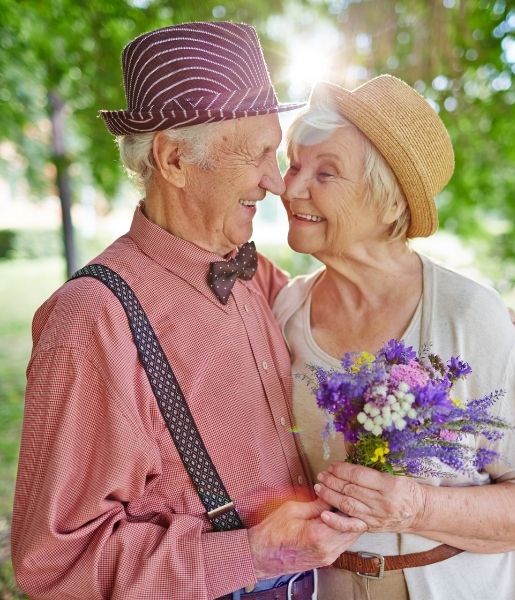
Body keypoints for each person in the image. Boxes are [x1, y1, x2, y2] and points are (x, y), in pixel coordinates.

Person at [11, 22, 368, 600]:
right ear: (174, 159)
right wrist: (247, 554)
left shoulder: (253, 272)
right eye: (257, 154)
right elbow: (55, 564)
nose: (277, 182)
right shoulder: (91, 319)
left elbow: (342, 305)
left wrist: (442, 309)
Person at [271, 75, 515, 599]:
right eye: (295, 164)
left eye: (326, 173)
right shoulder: (285, 310)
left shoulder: (466, 314)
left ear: (390, 203)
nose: (290, 187)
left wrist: (417, 506)